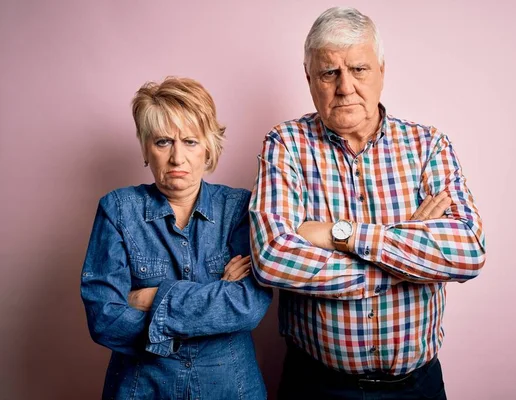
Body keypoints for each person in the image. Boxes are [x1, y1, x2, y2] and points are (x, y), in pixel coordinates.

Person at [249, 7, 486, 400]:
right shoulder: (285, 144)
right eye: (329, 73)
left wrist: (341, 234)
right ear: (309, 79)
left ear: (381, 71)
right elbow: (272, 257)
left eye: (358, 69)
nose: (345, 87)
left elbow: (469, 250)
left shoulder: (428, 145)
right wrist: (408, 260)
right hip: (317, 385)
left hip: (417, 386)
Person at [81, 77, 271, 400]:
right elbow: (103, 317)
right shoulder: (117, 210)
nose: (177, 158)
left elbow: (248, 305)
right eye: (163, 142)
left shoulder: (240, 209)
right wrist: (215, 296)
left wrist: (151, 299)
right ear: (145, 148)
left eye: (191, 142)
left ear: (209, 147)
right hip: (142, 390)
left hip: (230, 390)